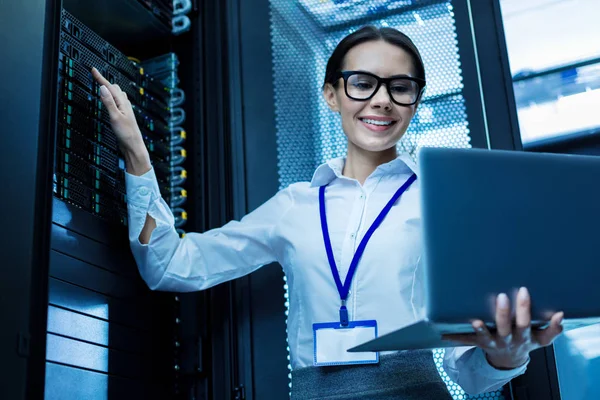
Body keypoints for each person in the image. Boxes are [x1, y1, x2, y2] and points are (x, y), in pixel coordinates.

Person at [92, 26, 564, 400]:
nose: (382, 99)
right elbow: (171, 265)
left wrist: (504, 358)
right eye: (363, 83)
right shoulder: (294, 205)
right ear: (331, 95)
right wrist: (137, 154)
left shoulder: (445, 202)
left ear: (414, 103)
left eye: (400, 88)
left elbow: (471, 376)